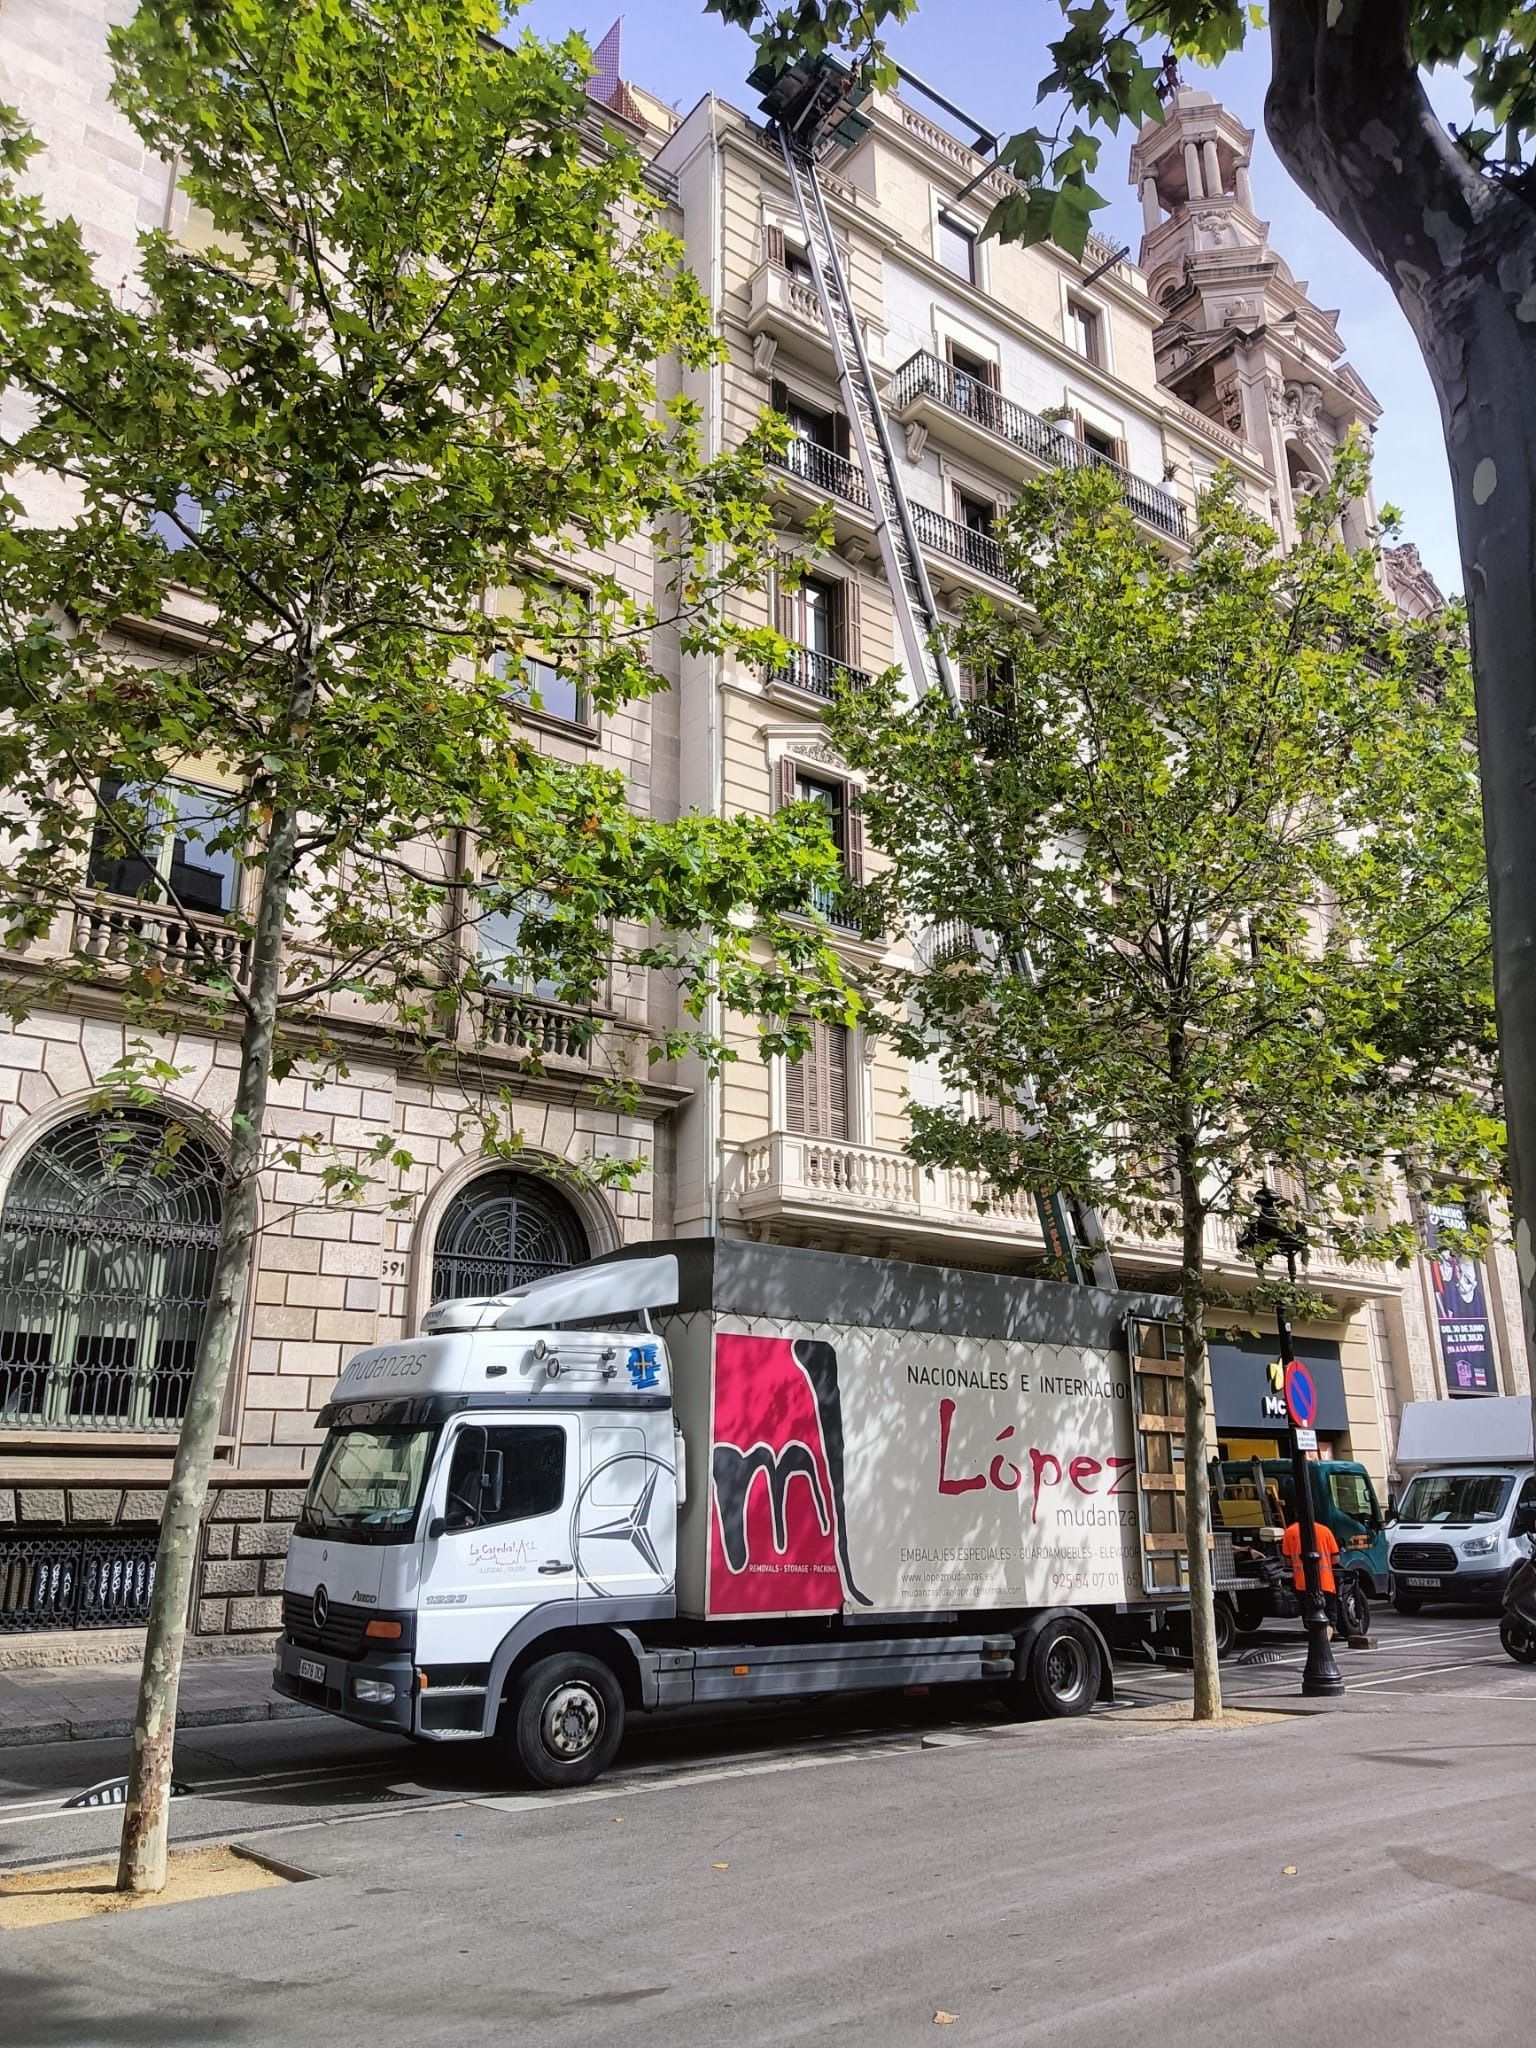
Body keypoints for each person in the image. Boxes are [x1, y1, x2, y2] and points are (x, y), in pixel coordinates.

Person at [1281, 1513, 1341, 1634]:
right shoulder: (1325, 1531)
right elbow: (1336, 1559)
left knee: (1310, 1617)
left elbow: (1288, 1561)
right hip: (1325, 1582)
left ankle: (1317, 1640)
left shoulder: (1289, 1532)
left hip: (1302, 1584)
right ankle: (1326, 1639)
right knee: (1328, 1617)